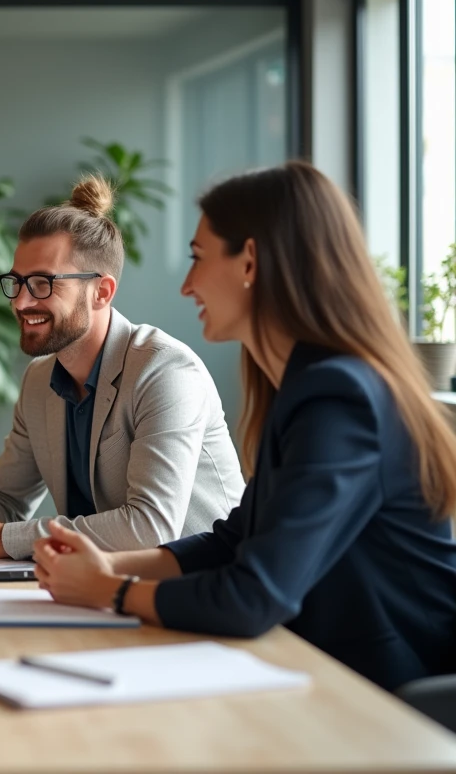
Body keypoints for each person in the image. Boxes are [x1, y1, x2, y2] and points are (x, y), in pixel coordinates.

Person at [33, 161, 456, 691]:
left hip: (390, 697)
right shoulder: (306, 386)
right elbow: (234, 541)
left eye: (198, 258)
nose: (187, 285)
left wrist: (109, 592)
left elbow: (253, 597)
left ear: (250, 260)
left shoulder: (341, 398)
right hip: (324, 672)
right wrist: (109, 567)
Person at [0, 175, 244, 560]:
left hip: (201, 592)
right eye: (16, 283)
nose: (19, 303)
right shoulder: (38, 380)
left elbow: (151, 526)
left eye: (41, 283)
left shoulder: (165, 372)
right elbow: (4, 497)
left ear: (101, 291)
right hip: (101, 590)